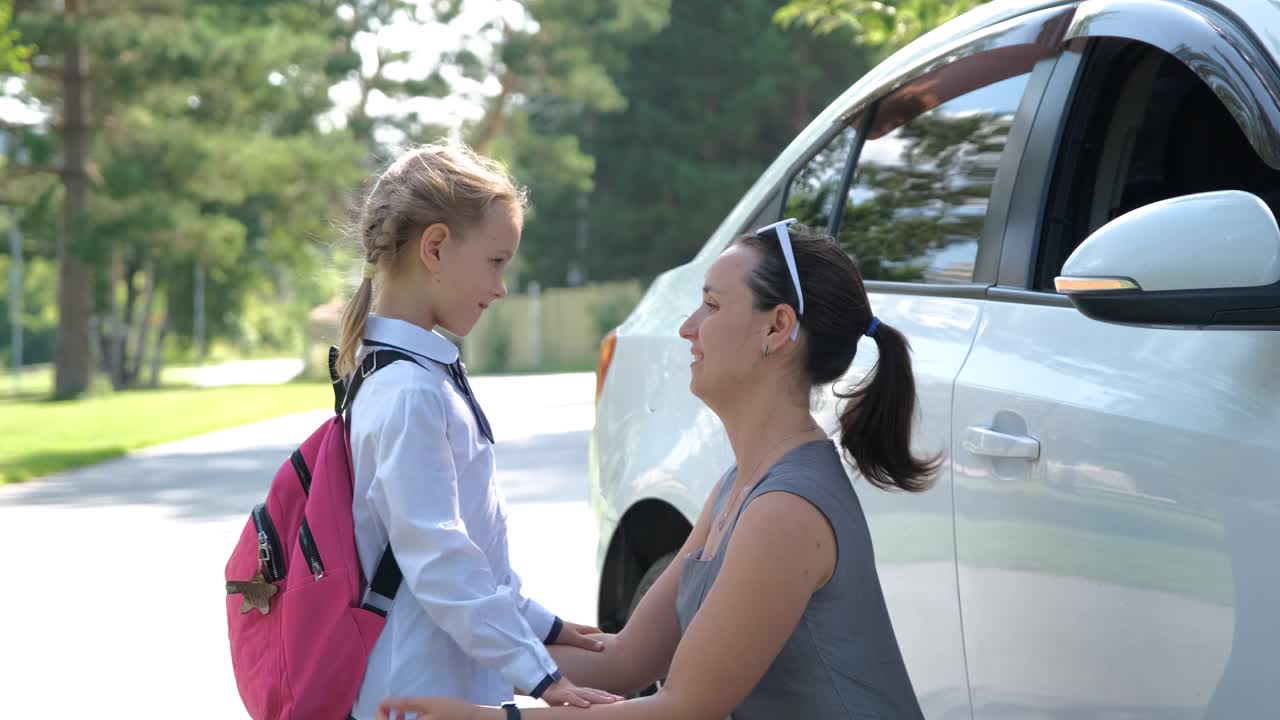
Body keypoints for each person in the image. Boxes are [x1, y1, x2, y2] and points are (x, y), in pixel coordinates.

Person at [374, 219, 938, 720]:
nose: (687, 327)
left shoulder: (786, 512)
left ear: (776, 328)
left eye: (713, 306)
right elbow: (624, 660)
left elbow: (683, 708)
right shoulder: (737, 487)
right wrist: (414, 645)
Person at [338, 141, 620, 720]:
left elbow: (475, 552)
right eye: (496, 262)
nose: (501, 287)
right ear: (436, 247)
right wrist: (540, 675)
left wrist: (545, 626)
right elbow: (438, 557)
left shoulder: (412, 372)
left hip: (439, 675)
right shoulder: (408, 391)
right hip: (417, 685)